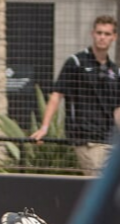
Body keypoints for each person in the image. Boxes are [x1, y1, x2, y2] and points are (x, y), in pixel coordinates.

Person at [31, 15, 120, 174]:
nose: (102, 37)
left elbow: (117, 109)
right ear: (92, 33)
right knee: (99, 183)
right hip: (86, 140)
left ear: (114, 37)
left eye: (107, 34)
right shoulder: (76, 62)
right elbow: (57, 95)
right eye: (99, 33)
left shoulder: (115, 70)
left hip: (111, 140)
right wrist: (44, 128)